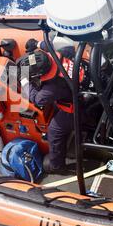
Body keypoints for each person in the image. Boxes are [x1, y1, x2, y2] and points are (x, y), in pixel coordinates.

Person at [18, 39, 77, 174]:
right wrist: (36, 44)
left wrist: (24, 80)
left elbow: (37, 99)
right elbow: (46, 44)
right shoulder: (61, 51)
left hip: (77, 108)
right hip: (82, 87)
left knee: (54, 131)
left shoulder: (51, 88)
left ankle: (57, 166)